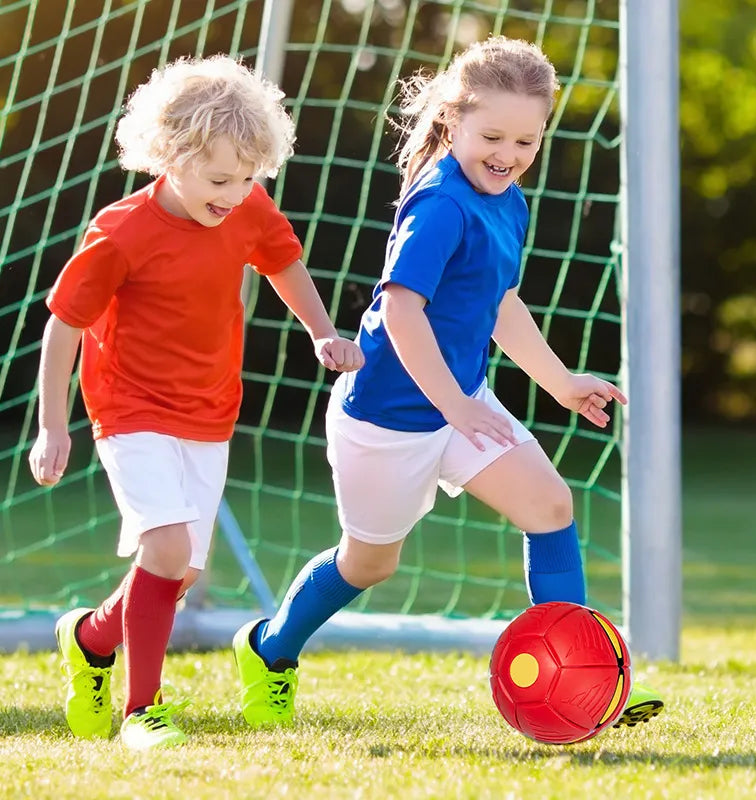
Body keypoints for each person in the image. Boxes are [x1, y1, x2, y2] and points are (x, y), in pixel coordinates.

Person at [233, 36, 663, 731]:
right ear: (453, 121)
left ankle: (586, 688)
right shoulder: (439, 202)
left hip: (460, 405)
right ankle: (270, 650)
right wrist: (454, 406)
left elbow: (501, 302)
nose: (508, 152)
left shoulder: (508, 199)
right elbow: (402, 311)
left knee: (551, 506)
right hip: (388, 420)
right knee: (369, 563)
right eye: (491, 135)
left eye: (526, 139)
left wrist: (558, 382)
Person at [28, 55, 364, 751]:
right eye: (220, 179)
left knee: (177, 571)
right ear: (172, 157)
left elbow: (281, 261)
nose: (237, 193)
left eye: (248, 178)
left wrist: (323, 331)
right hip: (129, 408)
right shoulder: (120, 233)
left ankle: (90, 639)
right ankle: (141, 713)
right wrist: (52, 427)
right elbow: (63, 325)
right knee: (167, 546)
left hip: (210, 411)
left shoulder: (246, 206)